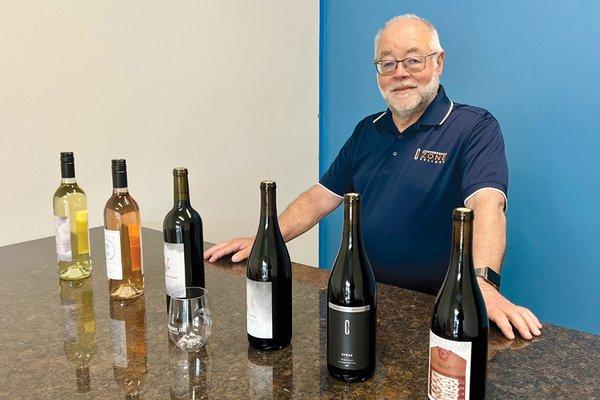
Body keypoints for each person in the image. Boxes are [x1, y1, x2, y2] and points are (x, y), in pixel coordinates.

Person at [204, 14, 542, 340]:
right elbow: (321, 197)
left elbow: (488, 203)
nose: (400, 73)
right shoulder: (368, 130)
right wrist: (267, 239)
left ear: (438, 62)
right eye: (388, 63)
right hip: (359, 297)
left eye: (413, 61)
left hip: (440, 309)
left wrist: (482, 284)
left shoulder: (474, 127)